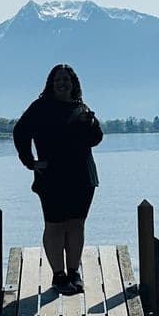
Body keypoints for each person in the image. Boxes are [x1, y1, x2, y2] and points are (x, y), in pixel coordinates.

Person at [13, 65, 103, 293]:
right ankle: (58, 276)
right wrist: (30, 161)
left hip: (83, 176)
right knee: (54, 227)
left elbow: (95, 139)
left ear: (73, 83)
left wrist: (90, 124)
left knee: (76, 225)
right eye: (57, 80)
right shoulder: (40, 107)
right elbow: (20, 132)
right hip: (52, 177)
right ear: (51, 84)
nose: (62, 83)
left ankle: (74, 272)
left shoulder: (81, 108)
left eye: (66, 79)